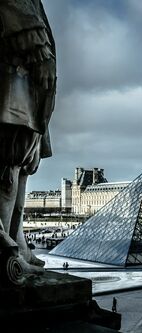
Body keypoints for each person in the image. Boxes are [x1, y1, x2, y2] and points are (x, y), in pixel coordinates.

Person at [0, 0, 57, 275]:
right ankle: (7, 250)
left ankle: (17, 242)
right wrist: (41, 54)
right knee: (9, 164)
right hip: (15, 72)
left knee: (22, 165)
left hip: (26, 78)